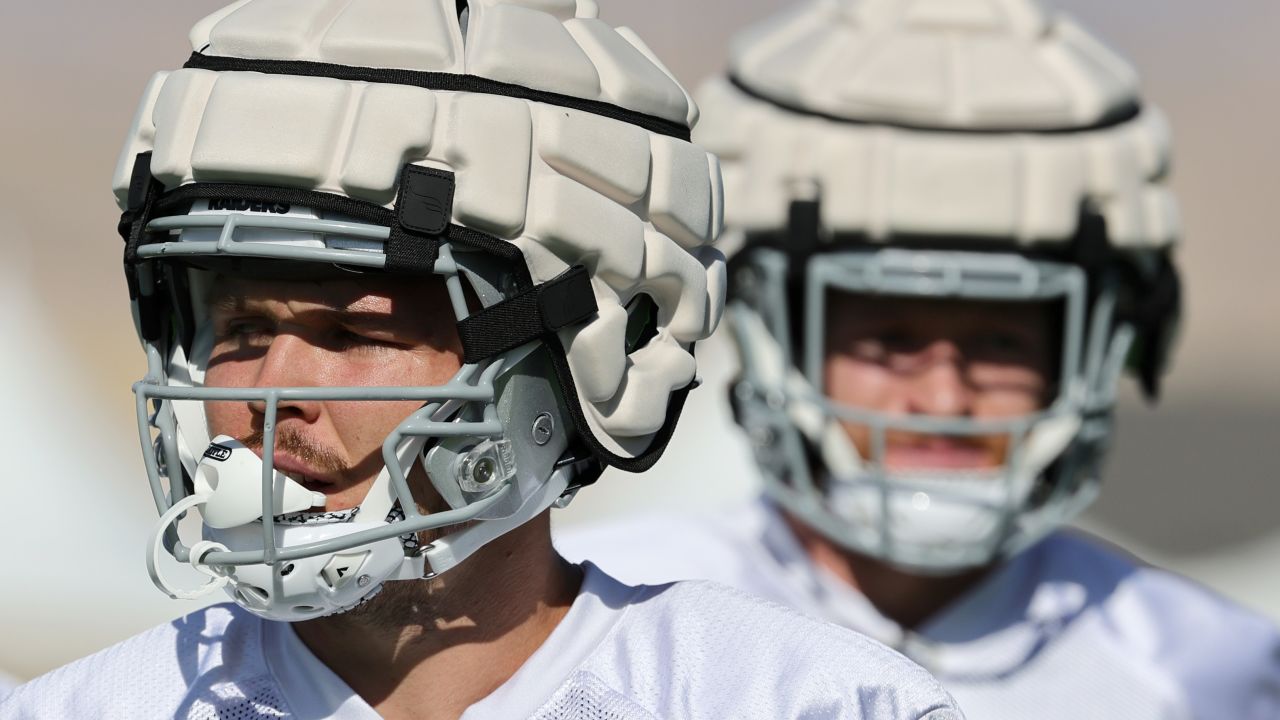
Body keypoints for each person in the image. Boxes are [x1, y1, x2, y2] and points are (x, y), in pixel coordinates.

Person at [0, 2, 965, 719]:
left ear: (581, 359)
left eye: (356, 335)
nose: (270, 392)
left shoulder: (804, 703)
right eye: (242, 332)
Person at [558, 0, 1280, 718]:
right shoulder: (592, 619)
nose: (942, 399)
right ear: (778, 338)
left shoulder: (1206, 671)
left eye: (1002, 344)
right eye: (889, 340)